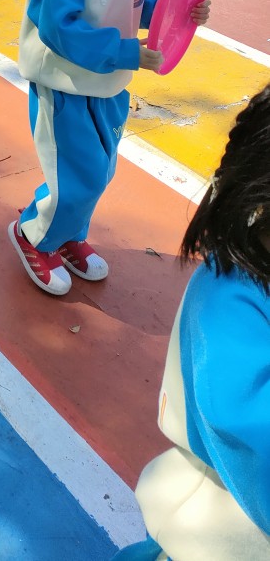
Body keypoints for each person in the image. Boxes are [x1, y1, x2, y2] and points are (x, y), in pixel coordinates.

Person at [9, 0, 211, 296]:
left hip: (109, 85)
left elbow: (136, 6)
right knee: (73, 179)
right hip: (65, 88)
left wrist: (181, 11)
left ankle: (67, 234)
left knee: (98, 173)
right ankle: (32, 234)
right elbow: (60, 29)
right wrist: (125, 52)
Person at [112, 83, 270, 560]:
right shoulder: (230, 300)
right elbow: (245, 423)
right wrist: (125, 50)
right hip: (216, 537)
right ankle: (41, 234)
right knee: (75, 178)